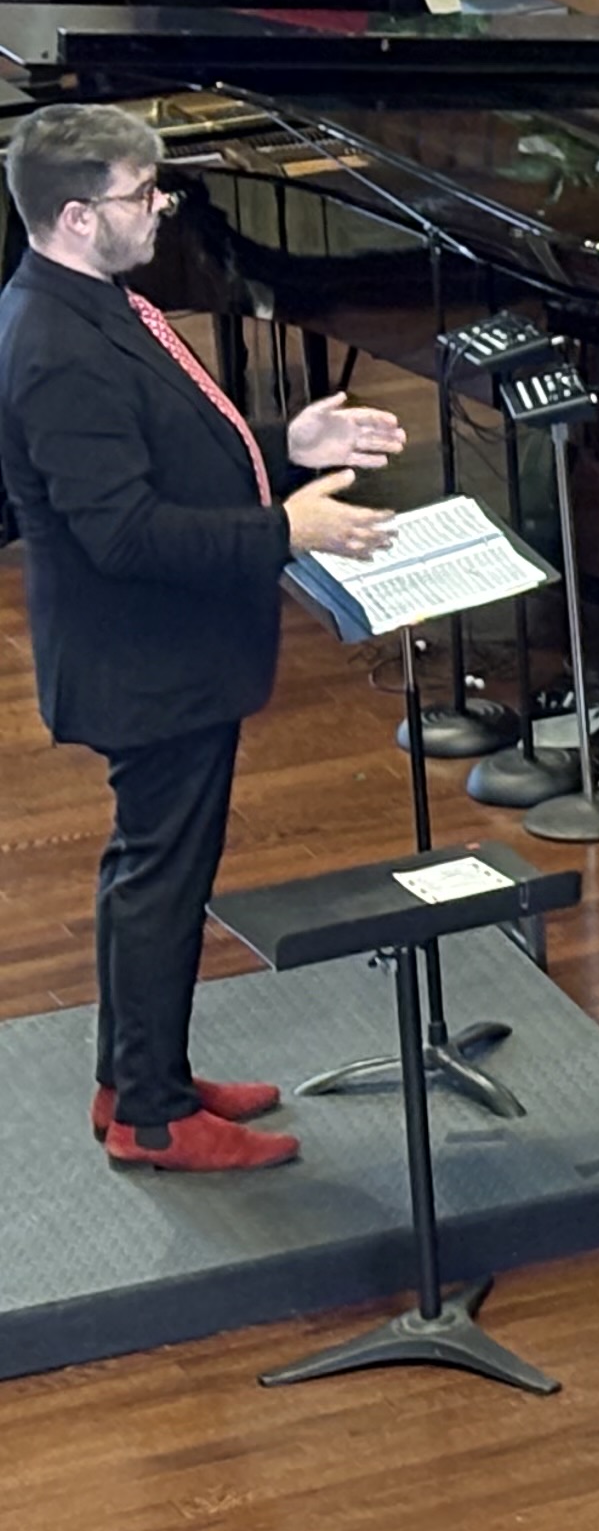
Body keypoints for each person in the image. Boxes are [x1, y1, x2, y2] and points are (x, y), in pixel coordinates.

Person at [0, 105, 402, 1172]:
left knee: (158, 870)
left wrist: (290, 441)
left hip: (169, 654)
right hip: (144, 659)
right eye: (145, 195)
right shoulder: (55, 349)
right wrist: (288, 527)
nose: (162, 209)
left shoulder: (101, 303)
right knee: (160, 877)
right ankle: (151, 1117)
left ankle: (141, 1078)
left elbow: (182, 447)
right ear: (79, 215)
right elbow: (126, 534)